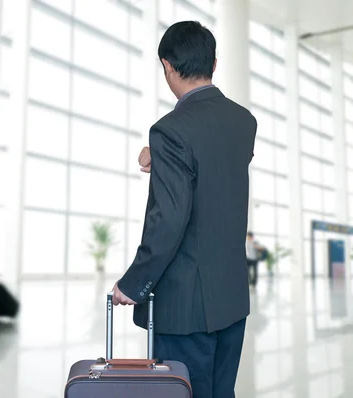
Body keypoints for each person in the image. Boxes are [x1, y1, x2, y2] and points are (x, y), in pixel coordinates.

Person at [111, 21, 257, 398]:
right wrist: (160, 158)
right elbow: (213, 169)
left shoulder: (170, 130)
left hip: (185, 308)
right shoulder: (244, 122)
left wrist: (133, 283)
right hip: (231, 300)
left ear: (168, 67)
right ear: (214, 63)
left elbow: (170, 218)